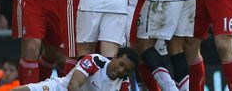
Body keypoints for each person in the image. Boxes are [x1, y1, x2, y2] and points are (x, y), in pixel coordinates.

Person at [10, 47, 139, 91]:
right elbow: (73, 85)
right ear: (115, 57)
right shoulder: (94, 61)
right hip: (61, 89)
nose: (122, 71)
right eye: (121, 64)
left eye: (127, 70)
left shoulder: (124, 84)